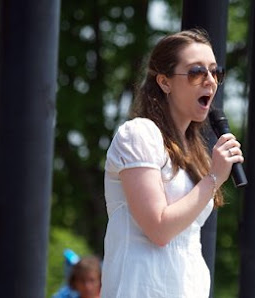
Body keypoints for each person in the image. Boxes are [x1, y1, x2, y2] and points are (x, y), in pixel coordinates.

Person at [101, 28, 244, 297]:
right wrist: (213, 178)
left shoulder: (194, 151)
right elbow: (159, 229)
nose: (210, 81)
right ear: (164, 82)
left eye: (215, 72)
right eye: (196, 72)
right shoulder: (139, 134)